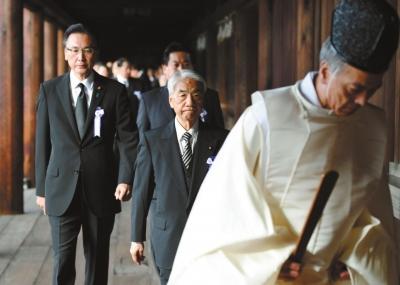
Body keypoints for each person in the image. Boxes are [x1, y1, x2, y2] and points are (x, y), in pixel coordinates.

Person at [168, 0, 400, 284]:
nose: (363, 101)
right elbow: (222, 218)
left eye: (372, 90)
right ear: (326, 72)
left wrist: (355, 260)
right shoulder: (265, 119)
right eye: (355, 89)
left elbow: (373, 220)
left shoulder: (371, 127)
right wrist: (268, 263)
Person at [35, 23, 138, 285]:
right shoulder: (50, 90)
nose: (81, 57)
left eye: (87, 50)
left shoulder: (114, 92)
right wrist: (41, 190)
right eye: (74, 50)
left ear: (96, 53)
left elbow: (128, 139)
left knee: (97, 258)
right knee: (63, 260)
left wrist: (125, 178)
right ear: (66, 53)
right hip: (60, 187)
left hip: (101, 186)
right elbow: (42, 142)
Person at [130, 70, 228, 285]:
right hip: (168, 235)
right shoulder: (153, 140)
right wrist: (136, 238)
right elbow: (141, 191)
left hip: (208, 235)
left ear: (203, 101)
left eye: (196, 94)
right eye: (182, 94)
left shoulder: (221, 139)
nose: (189, 101)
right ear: (171, 100)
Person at [137, 42, 224, 136]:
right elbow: (142, 139)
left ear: (192, 67)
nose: (182, 69)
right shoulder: (149, 100)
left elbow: (219, 135)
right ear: (165, 69)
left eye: (186, 64)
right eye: (176, 65)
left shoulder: (209, 96)